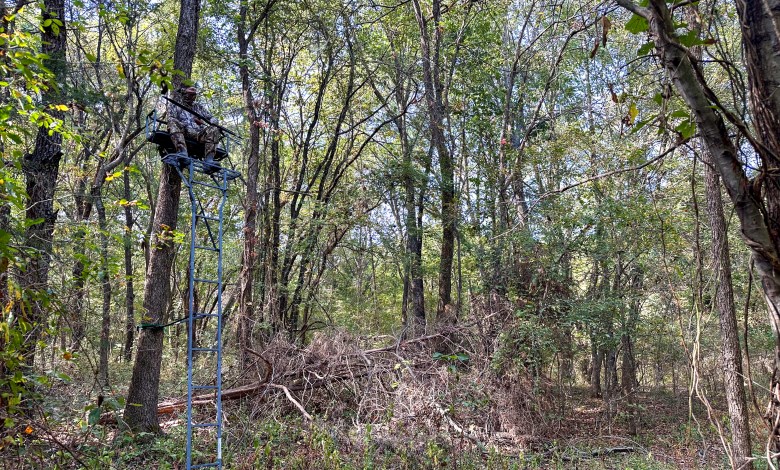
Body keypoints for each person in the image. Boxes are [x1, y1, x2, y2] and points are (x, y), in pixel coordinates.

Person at [167, 85, 222, 166]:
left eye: (194, 95)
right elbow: (171, 118)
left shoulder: (198, 107)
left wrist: (213, 121)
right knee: (172, 121)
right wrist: (183, 125)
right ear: (184, 94)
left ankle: (209, 160)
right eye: (190, 95)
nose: (193, 97)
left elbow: (211, 117)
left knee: (214, 129)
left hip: (198, 134)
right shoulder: (174, 105)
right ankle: (182, 152)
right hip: (184, 132)